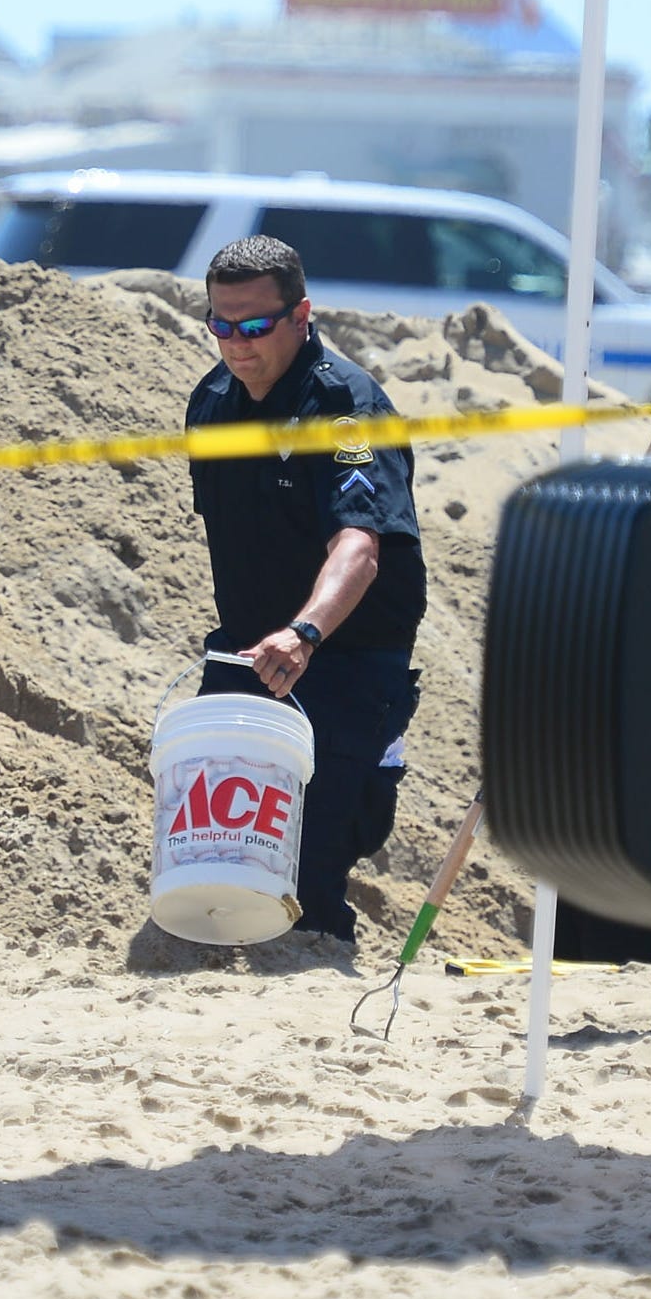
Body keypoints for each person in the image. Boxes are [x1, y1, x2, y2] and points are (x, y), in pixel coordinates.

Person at [183, 234, 426, 951]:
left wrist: (306, 631)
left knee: (312, 873)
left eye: (254, 325)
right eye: (220, 325)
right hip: (247, 653)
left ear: (300, 315)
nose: (236, 343)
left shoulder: (347, 413)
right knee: (217, 853)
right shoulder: (210, 403)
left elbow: (358, 545)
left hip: (341, 651)